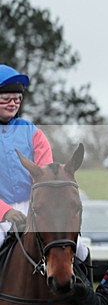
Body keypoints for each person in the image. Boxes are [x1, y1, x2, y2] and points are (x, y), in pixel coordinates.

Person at [0, 64, 53, 238]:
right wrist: (5, 212)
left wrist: (36, 208)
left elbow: (45, 176)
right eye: (6, 98)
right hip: (2, 211)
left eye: (17, 98)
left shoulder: (33, 132)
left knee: (79, 247)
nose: (13, 103)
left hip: (34, 208)